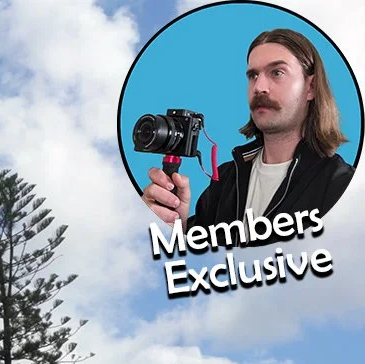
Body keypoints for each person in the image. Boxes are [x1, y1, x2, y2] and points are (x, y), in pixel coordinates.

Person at [141, 28, 354, 241]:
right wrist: (179, 227)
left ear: (311, 87)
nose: (259, 87)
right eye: (253, 75)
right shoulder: (225, 179)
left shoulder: (343, 186)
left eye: (277, 72)